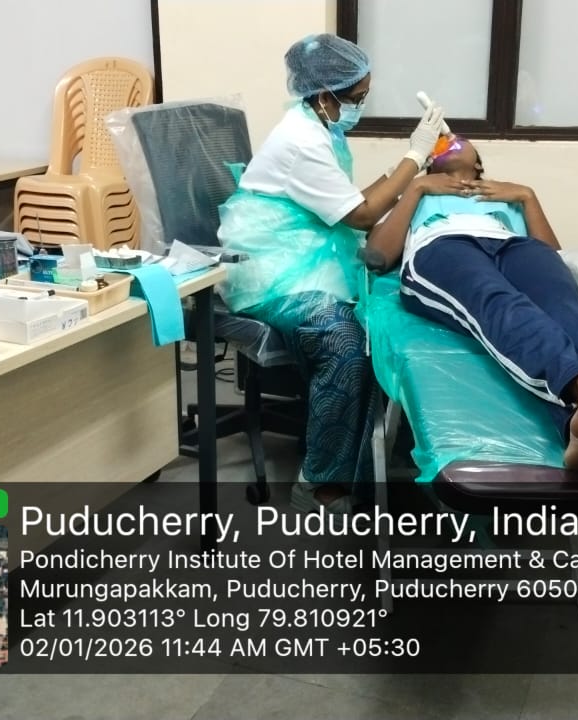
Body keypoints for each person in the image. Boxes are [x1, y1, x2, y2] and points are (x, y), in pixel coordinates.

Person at [216, 33, 447, 512]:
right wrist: (414, 163)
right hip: (271, 273)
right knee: (346, 343)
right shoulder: (300, 140)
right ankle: (320, 483)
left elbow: (348, 199)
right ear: (325, 95)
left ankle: (377, 463)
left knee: (389, 321)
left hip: (307, 256)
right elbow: (360, 215)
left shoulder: (323, 128)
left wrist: (410, 164)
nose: (361, 106)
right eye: (357, 98)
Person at [365, 136, 578, 470]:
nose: (448, 141)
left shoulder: (504, 196)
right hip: (442, 246)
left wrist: (527, 196)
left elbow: (556, 258)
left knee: (562, 302)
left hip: (511, 245)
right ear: (430, 163)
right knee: (499, 301)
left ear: (477, 163)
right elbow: (378, 255)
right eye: (440, 143)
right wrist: (416, 188)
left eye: (459, 140)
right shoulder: (417, 192)